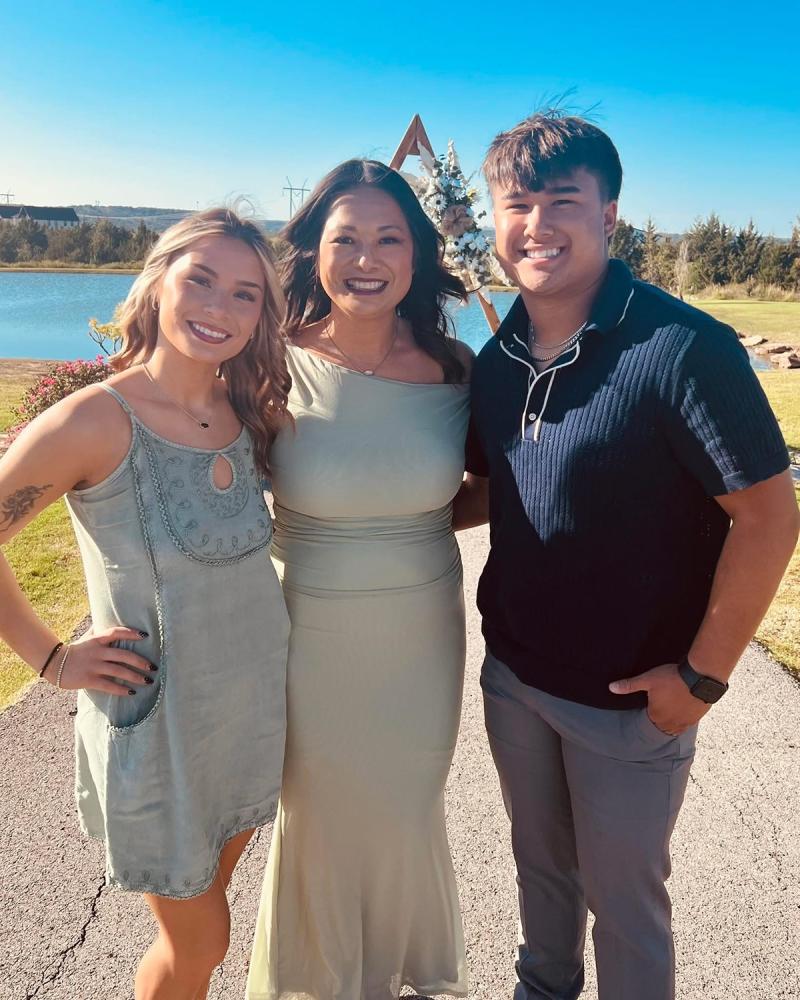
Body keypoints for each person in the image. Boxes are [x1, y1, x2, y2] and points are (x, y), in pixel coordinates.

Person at [459, 113, 800, 1000]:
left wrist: (702, 678)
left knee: (626, 910)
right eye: (517, 204)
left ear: (608, 215)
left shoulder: (683, 348)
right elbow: (497, 486)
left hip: (628, 702)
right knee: (540, 878)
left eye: (562, 201)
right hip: (515, 680)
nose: (537, 224)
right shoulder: (496, 360)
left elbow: (769, 518)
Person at [0, 208, 292, 1000]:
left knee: (206, 931)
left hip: (246, 721)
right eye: (201, 280)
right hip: (160, 732)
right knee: (204, 940)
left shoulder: (249, 412)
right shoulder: (96, 419)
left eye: (245, 293)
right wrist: (52, 659)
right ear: (158, 282)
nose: (219, 307)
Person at [246, 159, 471, 1000]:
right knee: (319, 815)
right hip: (307, 633)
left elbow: (494, 488)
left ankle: (392, 978)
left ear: (418, 254)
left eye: (389, 238)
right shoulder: (267, 364)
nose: (367, 258)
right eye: (346, 239)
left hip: (422, 635)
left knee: (406, 808)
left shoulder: (455, 369)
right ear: (314, 249)